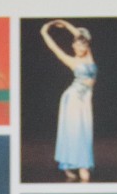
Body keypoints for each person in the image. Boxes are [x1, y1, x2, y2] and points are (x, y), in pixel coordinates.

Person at [40, 20, 96, 182]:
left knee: (85, 131)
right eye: (77, 45)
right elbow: (54, 48)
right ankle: (75, 165)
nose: (80, 48)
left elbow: (78, 34)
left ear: (86, 45)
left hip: (85, 99)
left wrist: (61, 23)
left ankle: (81, 164)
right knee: (74, 131)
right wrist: (45, 31)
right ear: (73, 47)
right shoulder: (72, 61)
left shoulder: (88, 56)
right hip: (73, 98)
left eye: (82, 45)